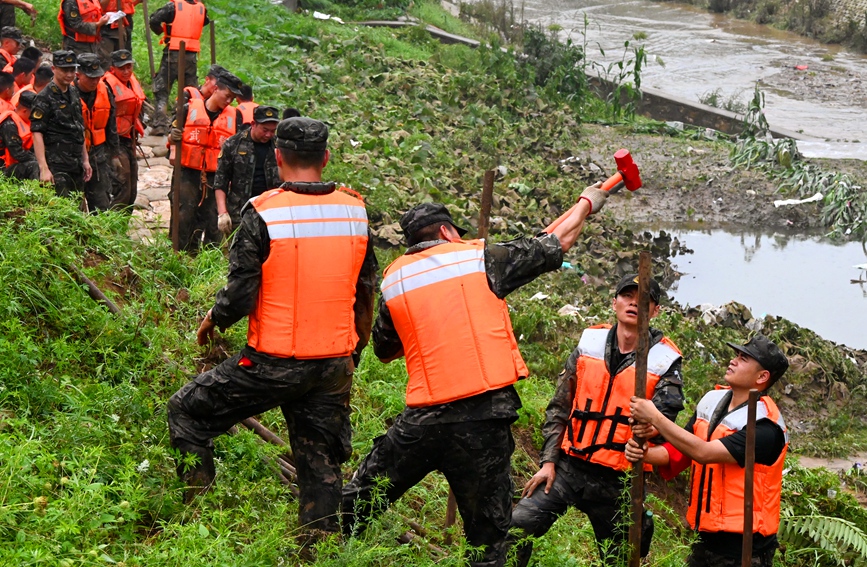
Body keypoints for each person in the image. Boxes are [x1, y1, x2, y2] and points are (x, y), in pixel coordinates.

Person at [342, 184, 611, 567]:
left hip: (422, 420)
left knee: (361, 498)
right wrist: (587, 203)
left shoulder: (396, 279)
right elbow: (556, 242)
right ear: (446, 232)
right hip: (483, 420)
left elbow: (386, 351)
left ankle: (317, 543)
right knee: (489, 539)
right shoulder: (479, 259)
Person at [166, 116, 379, 544]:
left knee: (188, 411)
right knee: (320, 462)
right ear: (327, 157)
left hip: (274, 361)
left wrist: (214, 319)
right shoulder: (355, 211)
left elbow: (242, 291)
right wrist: (352, 352)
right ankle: (317, 548)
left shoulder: (264, 212)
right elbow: (366, 291)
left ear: (278, 157)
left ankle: (197, 525)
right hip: (334, 362)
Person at [508, 273, 684, 566]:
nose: (633, 303)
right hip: (568, 467)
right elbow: (559, 407)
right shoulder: (589, 342)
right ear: (614, 302)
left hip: (620, 479)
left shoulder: (666, 359)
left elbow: (665, 417)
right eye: (627, 296)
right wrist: (548, 462)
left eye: (644, 300)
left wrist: (650, 426)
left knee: (623, 558)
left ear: (655, 311)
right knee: (517, 527)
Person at [626, 334, 789, 567]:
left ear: (762, 377)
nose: (733, 361)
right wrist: (648, 455)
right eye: (737, 355)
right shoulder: (712, 400)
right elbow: (682, 451)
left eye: (744, 359)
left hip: (744, 550)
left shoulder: (766, 427)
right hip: (705, 539)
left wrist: (655, 417)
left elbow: (704, 452)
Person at [168, 72, 241, 250]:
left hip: (215, 175)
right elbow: (172, 135)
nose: (229, 101)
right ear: (216, 89)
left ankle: (208, 262)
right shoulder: (187, 109)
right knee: (183, 213)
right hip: (188, 172)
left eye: (233, 98)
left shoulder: (233, 117)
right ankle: (179, 255)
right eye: (227, 96)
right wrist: (173, 137)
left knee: (210, 218)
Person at [31, 50, 92, 198]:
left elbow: (79, 127)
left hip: (75, 164)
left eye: (72, 70)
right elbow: (37, 132)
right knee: (61, 212)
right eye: (64, 70)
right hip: (57, 165)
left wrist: (85, 159)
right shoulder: (44, 98)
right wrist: (43, 168)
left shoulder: (73, 92)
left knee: (77, 210)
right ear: (54, 69)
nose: (69, 74)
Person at [213, 104, 280, 238]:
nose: (268, 135)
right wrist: (222, 213)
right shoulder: (234, 144)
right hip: (240, 210)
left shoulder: (279, 146)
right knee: (240, 253)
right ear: (253, 124)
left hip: (271, 210)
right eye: (265, 130)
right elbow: (221, 181)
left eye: (273, 131)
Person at [149, 0, 208, 134]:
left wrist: (160, 31)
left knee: (162, 89)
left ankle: (160, 124)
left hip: (173, 53)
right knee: (190, 92)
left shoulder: (173, 6)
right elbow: (205, 21)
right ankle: (187, 123)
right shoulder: (201, 9)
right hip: (191, 56)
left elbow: (154, 19)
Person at [76, 52, 119, 212]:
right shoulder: (67, 92)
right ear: (78, 74)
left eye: (97, 77)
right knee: (74, 205)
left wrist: (114, 154)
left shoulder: (105, 90)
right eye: (90, 77)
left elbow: (111, 124)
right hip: (73, 156)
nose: (95, 81)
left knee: (101, 203)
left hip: (98, 154)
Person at [102, 49, 143, 210]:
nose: (126, 71)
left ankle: (122, 228)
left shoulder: (132, 82)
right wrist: (112, 152)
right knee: (122, 185)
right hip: (113, 141)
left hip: (129, 139)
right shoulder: (107, 86)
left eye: (128, 67)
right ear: (113, 68)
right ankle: (112, 230)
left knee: (132, 189)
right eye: (121, 68)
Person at [0, 88, 36, 179]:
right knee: (35, 166)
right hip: (4, 167)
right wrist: (40, 160)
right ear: (24, 111)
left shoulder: (27, 121)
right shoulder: (9, 124)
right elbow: (17, 154)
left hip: (17, 163)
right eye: (34, 113)